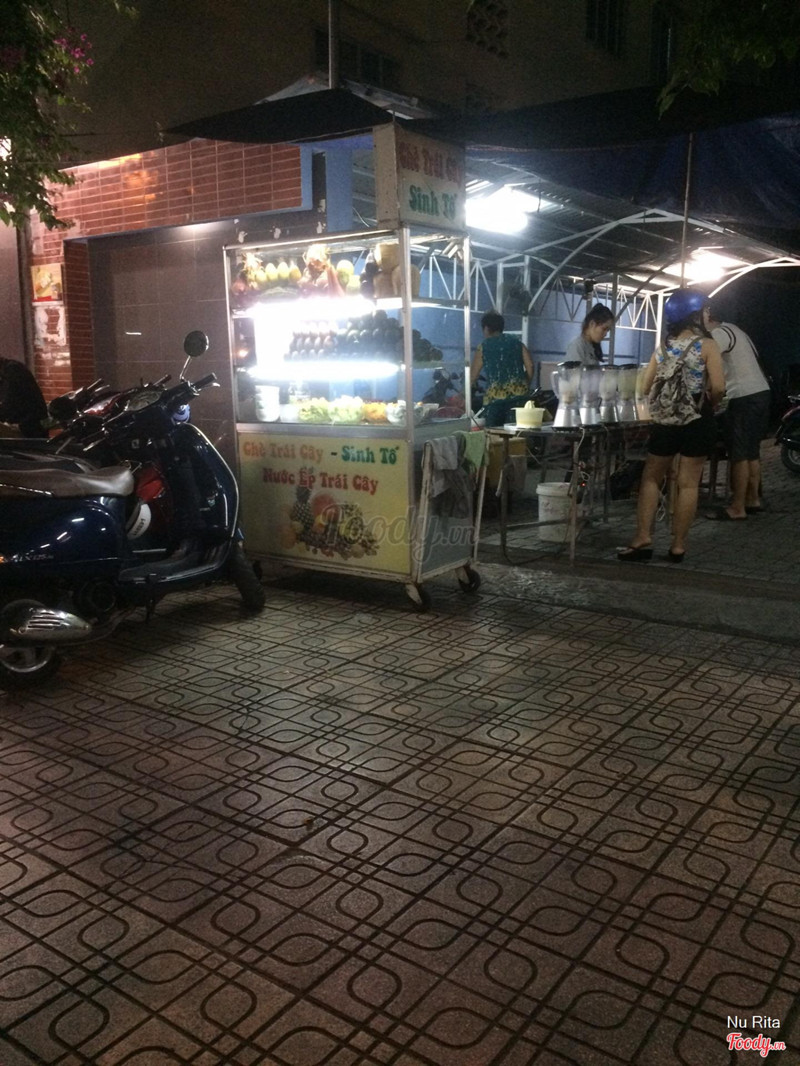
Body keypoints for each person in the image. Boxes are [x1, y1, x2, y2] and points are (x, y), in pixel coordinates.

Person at [617, 288, 725, 563]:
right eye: (705, 310)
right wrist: (712, 403)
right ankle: (677, 545)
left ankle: (643, 537)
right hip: (698, 421)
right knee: (688, 484)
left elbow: (644, 386)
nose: (707, 314)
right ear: (695, 314)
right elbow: (719, 387)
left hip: (665, 422)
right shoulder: (708, 345)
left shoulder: (663, 348)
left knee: (651, 478)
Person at [702, 304, 771, 519]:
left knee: (739, 454)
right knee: (751, 451)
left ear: (708, 318)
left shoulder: (718, 334)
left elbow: (708, 364)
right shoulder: (735, 329)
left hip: (743, 396)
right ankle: (753, 499)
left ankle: (737, 507)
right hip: (760, 393)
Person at [470, 310, 533, 428]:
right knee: (517, 434)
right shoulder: (517, 343)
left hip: (495, 401)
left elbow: (473, 375)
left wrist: (464, 394)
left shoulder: (484, 347)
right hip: (519, 399)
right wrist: (525, 383)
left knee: (494, 434)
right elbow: (530, 365)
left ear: (486, 328)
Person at [0, 357, 48, 438]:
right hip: (25, 425)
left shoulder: (13, 370)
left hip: (28, 428)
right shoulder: (8, 370)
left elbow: (10, 403)